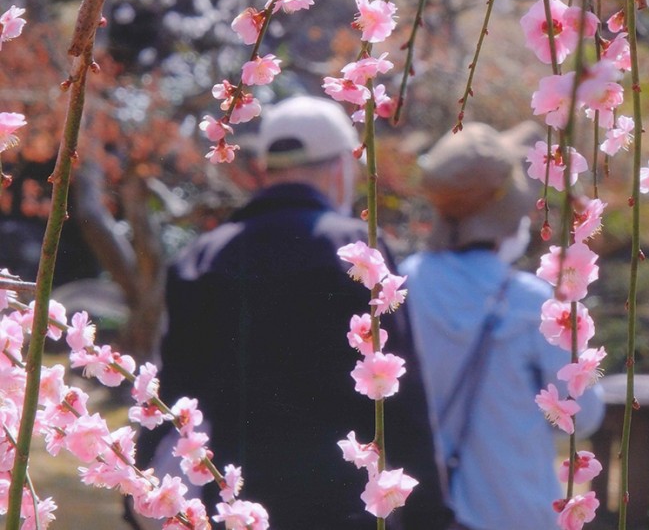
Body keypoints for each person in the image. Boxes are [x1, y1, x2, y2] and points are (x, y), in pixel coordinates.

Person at [144, 95, 449, 530]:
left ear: (266, 169)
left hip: (234, 503)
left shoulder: (201, 259)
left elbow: (171, 393)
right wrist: (429, 516)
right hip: (343, 506)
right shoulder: (357, 253)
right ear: (341, 167)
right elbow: (400, 395)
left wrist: (140, 485)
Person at [401, 122, 604, 530]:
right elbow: (583, 415)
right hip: (515, 509)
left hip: (424, 509)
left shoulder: (401, 285)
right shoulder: (532, 303)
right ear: (509, 215)